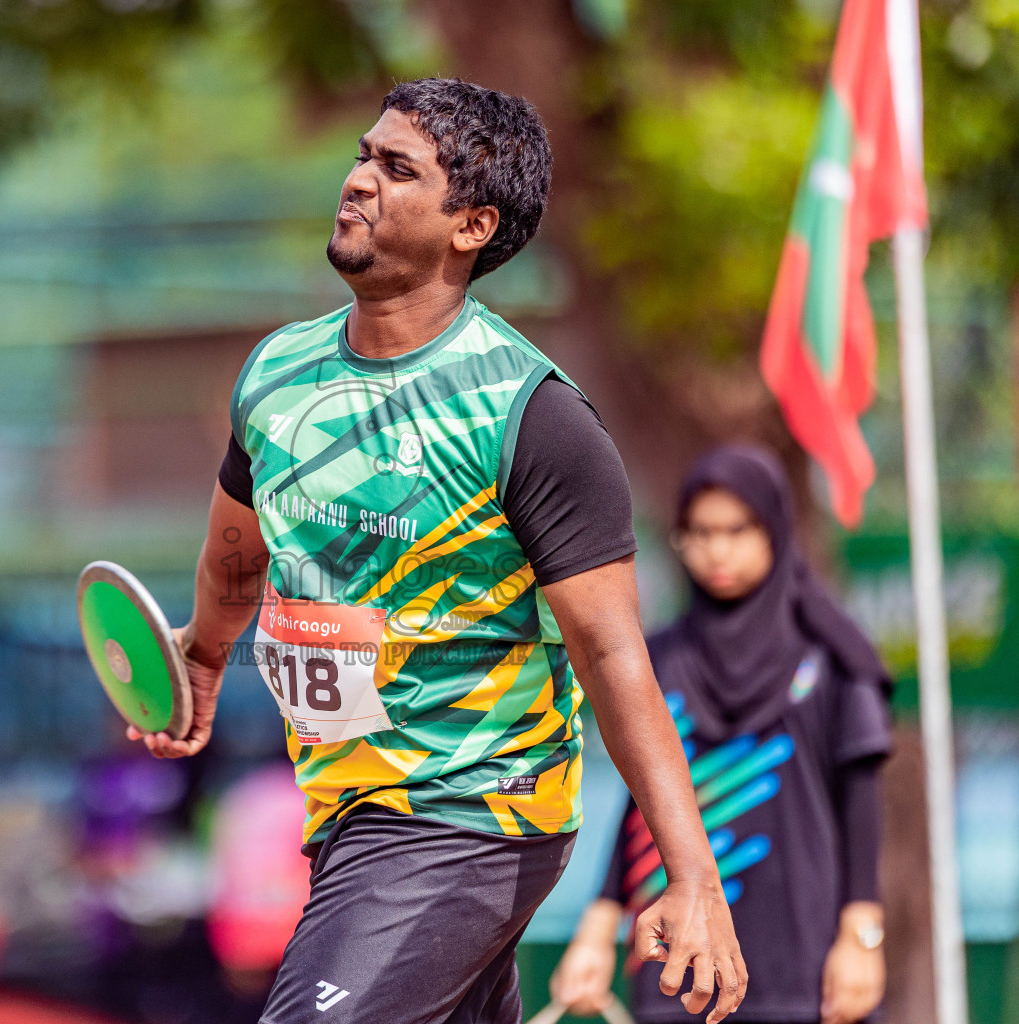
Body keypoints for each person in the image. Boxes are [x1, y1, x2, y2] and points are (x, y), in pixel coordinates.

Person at [129, 78, 747, 1024]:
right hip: (348, 812)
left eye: (397, 169)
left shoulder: (531, 416)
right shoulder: (277, 375)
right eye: (364, 155)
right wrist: (203, 655)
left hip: (475, 812)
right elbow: (238, 546)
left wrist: (691, 875)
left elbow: (614, 654)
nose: (359, 181)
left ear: (471, 225)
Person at [550, 445, 893, 1024]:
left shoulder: (832, 660)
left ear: (775, 530)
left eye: (737, 530)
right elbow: (642, 802)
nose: (717, 550)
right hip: (678, 963)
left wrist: (862, 936)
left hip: (802, 968)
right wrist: (600, 923)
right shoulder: (657, 659)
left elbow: (861, 803)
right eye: (699, 532)